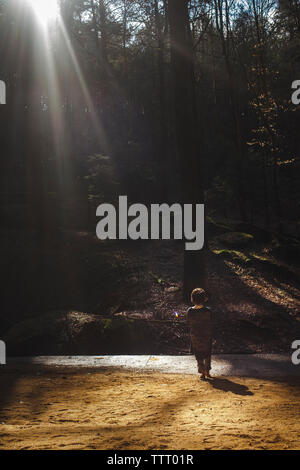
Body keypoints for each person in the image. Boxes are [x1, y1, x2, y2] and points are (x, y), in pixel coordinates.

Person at [187, 288, 212, 380]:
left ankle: (202, 371)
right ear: (204, 299)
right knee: (207, 353)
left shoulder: (190, 311)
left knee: (198, 353)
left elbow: (188, 322)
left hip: (195, 335)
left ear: (192, 299)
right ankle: (207, 370)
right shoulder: (208, 311)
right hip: (206, 335)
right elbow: (211, 323)